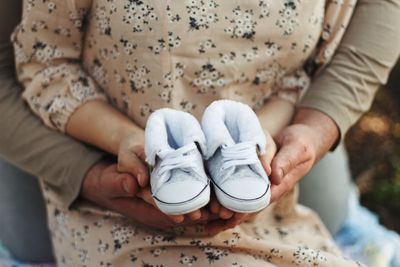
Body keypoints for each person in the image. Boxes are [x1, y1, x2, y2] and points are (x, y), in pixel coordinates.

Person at [0, 0, 398, 265]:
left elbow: (373, 18)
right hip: (108, 182)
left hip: (275, 175)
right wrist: (93, 170)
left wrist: (311, 130)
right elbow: (45, 63)